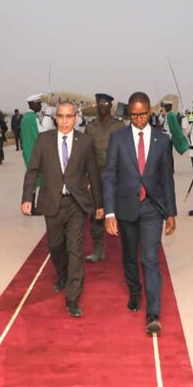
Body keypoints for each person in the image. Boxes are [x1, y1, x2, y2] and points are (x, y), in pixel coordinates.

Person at [103, 91, 177, 334]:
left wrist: (170, 212)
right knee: (129, 256)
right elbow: (110, 176)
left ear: (149, 111)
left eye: (143, 114)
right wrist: (110, 213)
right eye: (134, 115)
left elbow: (166, 179)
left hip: (152, 208)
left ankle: (153, 314)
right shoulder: (118, 138)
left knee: (150, 259)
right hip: (126, 207)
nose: (139, 119)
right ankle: (135, 292)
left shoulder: (162, 140)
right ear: (129, 114)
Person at [21, 101, 103, 317]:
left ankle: (72, 298)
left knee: (75, 250)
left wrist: (99, 204)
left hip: (76, 203)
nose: (65, 121)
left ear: (75, 118)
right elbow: (32, 170)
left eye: (69, 116)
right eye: (61, 117)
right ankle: (62, 274)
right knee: (56, 245)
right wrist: (27, 197)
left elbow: (94, 174)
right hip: (52, 202)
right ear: (56, 118)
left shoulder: (85, 142)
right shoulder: (44, 141)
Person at [83, 92, 125, 263]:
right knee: (96, 211)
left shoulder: (119, 126)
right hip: (96, 175)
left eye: (105, 103)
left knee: (122, 211)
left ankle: (128, 248)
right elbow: (85, 152)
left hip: (116, 174)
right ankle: (98, 249)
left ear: (111, 106)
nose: (102, 106)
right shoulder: (90, 127)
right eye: (99, 103)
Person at [20, 93, 45, 215]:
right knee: (34, 181)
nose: (40, 106)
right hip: (35, 154)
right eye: (39, 103)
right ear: (32, 104)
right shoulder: (33, 118)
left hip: (28, 153)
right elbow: (42, 133)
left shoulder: (25, 118)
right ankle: (31, 207)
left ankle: (29, 205)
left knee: (32, 181)